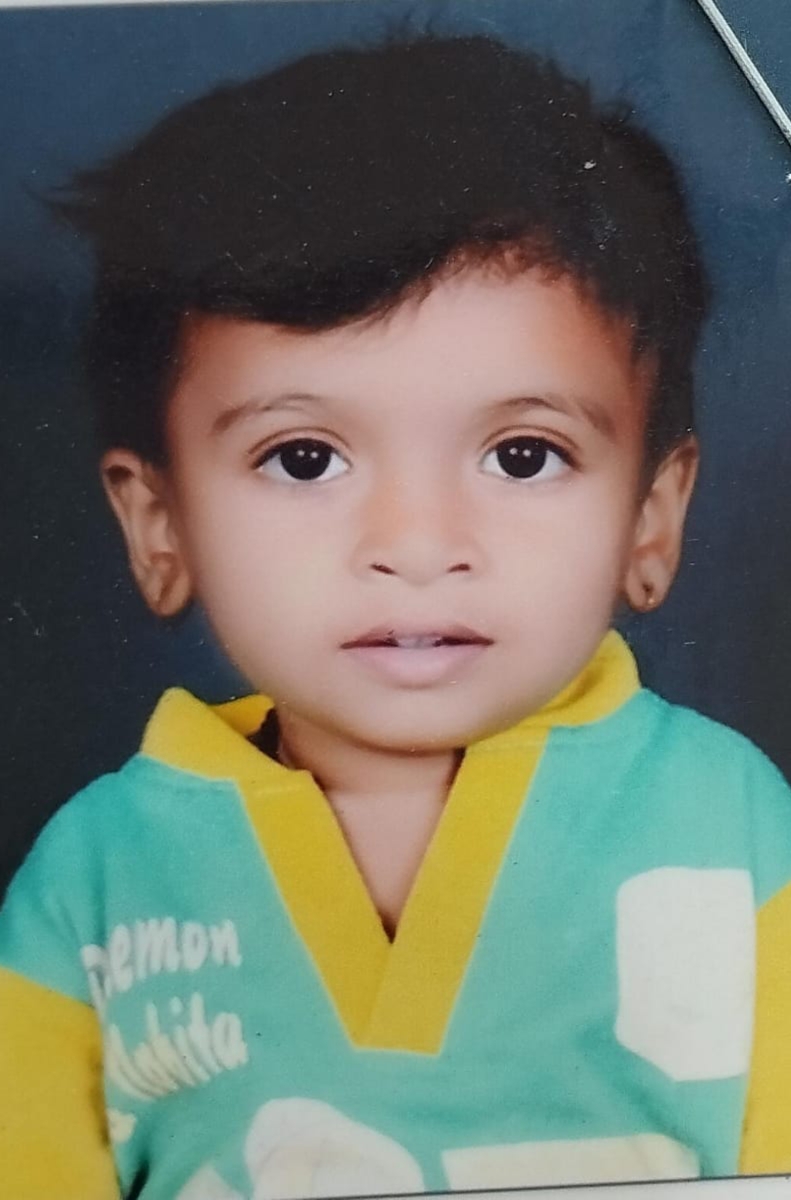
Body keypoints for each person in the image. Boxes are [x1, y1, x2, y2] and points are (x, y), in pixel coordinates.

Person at [2, 32, 791, 1200]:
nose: (417, 546)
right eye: (303, 457)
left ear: (649, 519)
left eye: (521, 455)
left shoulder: (738, 831)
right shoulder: (90, 883)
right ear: (159, 527)